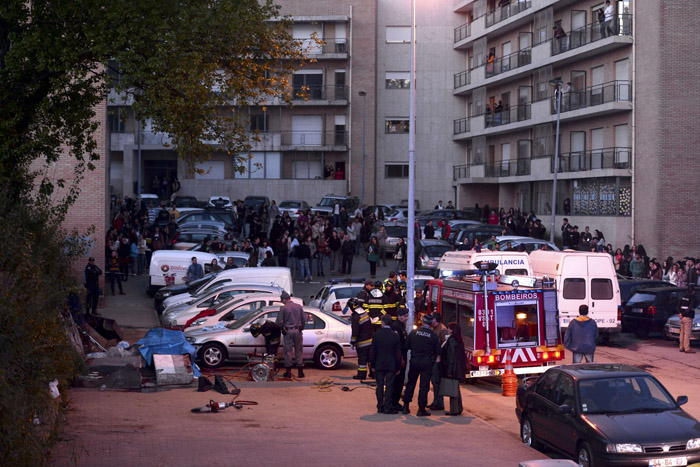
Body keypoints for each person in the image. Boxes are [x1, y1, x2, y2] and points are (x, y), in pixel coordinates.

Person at [402, 314, 441, 416]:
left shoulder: (414, 333)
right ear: (431, 323)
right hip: (426, 362)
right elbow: (438, 350)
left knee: (411, 383)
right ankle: (421, 409)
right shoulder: (433, 335)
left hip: (414, 360)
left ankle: (406, 406)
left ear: (422, 321)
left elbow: (406, 346)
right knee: (424, 386)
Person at [370, 315, 403, 414]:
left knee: (379, 386)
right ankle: (387, 408)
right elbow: (398, 353)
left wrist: (372, 365)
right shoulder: (395, 336)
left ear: (382, 323)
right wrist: (398, 367)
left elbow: (372, 351)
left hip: (379, 364)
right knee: (389, 386)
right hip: (391, 365)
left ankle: (380, 407)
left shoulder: (376, 335)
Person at [276, 291, 305, 378]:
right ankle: (300, 372)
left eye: (282, 301)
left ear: (284, 299)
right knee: (299, 350)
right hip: (298, 331)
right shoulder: (299, 307)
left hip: (288, 331)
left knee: (288, 351)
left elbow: (279, 322)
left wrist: (282, 329)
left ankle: (288, 372)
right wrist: (301, 328)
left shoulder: (283, 308)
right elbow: (304, 319)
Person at [440, 322, 467, 415]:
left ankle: (454, 410)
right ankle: (459, 408)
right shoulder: (458, 340)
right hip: (458, 368)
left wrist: (449, 370)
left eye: (449, 328)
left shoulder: (451, 341)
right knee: (456, 388)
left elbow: (450, 357)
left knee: (453, 389)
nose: (447, 329)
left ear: (452, 330)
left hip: (453, 368)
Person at [390, 307, 409, 411]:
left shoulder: (401, 326)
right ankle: (394, 402)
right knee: (397, 381)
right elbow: (398, 345)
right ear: (399, 316)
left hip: (401, 357)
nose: (406, 318)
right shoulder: (396, 327)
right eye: (405, 316)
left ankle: (395, 402)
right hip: (398, 359)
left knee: (399, 381)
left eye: (407, 316)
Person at [429, 313, 448, 412]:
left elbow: (444, 345)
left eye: (432, 319)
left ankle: (439, 403)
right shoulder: (435, 328)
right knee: (434, 382)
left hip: (438, 360)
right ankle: (435, 401)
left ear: (436, 319)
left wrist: (438, 359)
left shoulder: (442, 330)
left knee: (437, 382)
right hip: (434, 358)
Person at [677, 285, 697, 353]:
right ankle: (687, 348)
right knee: (687, 333)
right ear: (693, 291)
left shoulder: (683, 297)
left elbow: (678, 306)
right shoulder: (692, 298)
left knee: (682, 333)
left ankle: (681, 347)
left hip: (681, 318)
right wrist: (684, 314)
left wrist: (680, 313)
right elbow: (690, 308)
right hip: (687, 317)